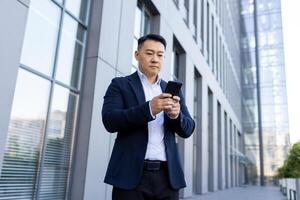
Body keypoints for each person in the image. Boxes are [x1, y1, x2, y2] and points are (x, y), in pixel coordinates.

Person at [102, 34, 195, 200]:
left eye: (160, 55)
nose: (155, 59)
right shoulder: (120, 84)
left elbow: (188, 129)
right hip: (130, 176)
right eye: (149, 53)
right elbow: (110, 120)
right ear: (137, 55)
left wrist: (176, 116)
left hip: (167, 178)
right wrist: (149, 109)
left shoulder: (172, 89)